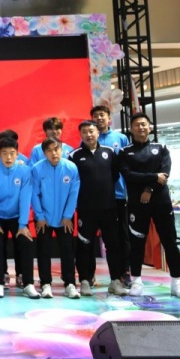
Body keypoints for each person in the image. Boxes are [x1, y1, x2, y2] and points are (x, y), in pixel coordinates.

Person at [118, 113, 180, 298]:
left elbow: (164, 174)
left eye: (144, 124)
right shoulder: (125, 152)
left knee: (170, 242)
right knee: (137, 244)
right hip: (137, 204)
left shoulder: (161, 148)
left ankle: (176, 282)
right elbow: (128, 176)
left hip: (161, 202)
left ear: (150, 127)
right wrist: (153, 177)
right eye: (137, 125)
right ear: (131, 129)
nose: (141, 127)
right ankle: (136, 282)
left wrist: (149, 189)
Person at [68, 121, 127, 297]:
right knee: (85, 246)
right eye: (84, 132)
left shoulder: (109, 152)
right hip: (86, 209)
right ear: (81, 135)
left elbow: (114, 175)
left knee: (113, 245)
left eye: (91, 131)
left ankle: (115, 281)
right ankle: (85, 280)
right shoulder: (74, 156)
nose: (89, 135)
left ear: (97, 133)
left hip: (109, 208)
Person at [0, 138, 36, 298]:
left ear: (17, 154)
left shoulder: (24, 171)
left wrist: (22, 224)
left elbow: (25, 198)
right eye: (4, 153)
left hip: (17, 217)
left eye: (12, 153)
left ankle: (28, 284)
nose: (8, 157)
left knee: (26, 243)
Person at [31, 138, 81, 299]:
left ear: (61, 149)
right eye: (50, 150)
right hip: (43, 219)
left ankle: (70, 284)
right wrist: (39, 216)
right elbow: (34, 194)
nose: (54, 153)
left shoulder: (71, 167)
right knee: (43, 251)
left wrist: (68, 216)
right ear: (44, 153)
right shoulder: (37, 169)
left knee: (67, 251)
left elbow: (74, 193)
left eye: (57, 149)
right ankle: (45, 284)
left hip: (64, 218)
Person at [90, 105, 132, 286]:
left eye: (102, 115)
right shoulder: (89, 139)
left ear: (109, 118)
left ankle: (124, 272)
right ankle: (88, 275)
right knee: (91, 237)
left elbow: (127, 166)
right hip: (96, 199)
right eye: (95, 116)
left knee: (122, 236)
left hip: (118, 196)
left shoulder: (120, 138)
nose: (99, 118)